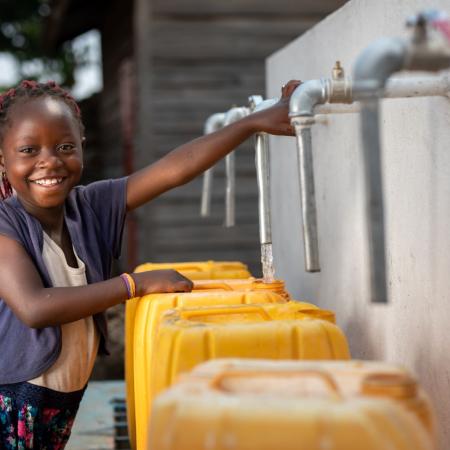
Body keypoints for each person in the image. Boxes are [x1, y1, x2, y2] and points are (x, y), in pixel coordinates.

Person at [0, 78, 299, 448]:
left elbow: (175, 170)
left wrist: (249, 123)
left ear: (81, 147)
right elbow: (33, 307)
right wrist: (134, 285)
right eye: (28, 149)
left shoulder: (91, 207)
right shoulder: (5, 225)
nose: (49, 161)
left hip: (62, 397)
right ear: (3, 158)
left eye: (64, 147)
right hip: (12, 399)